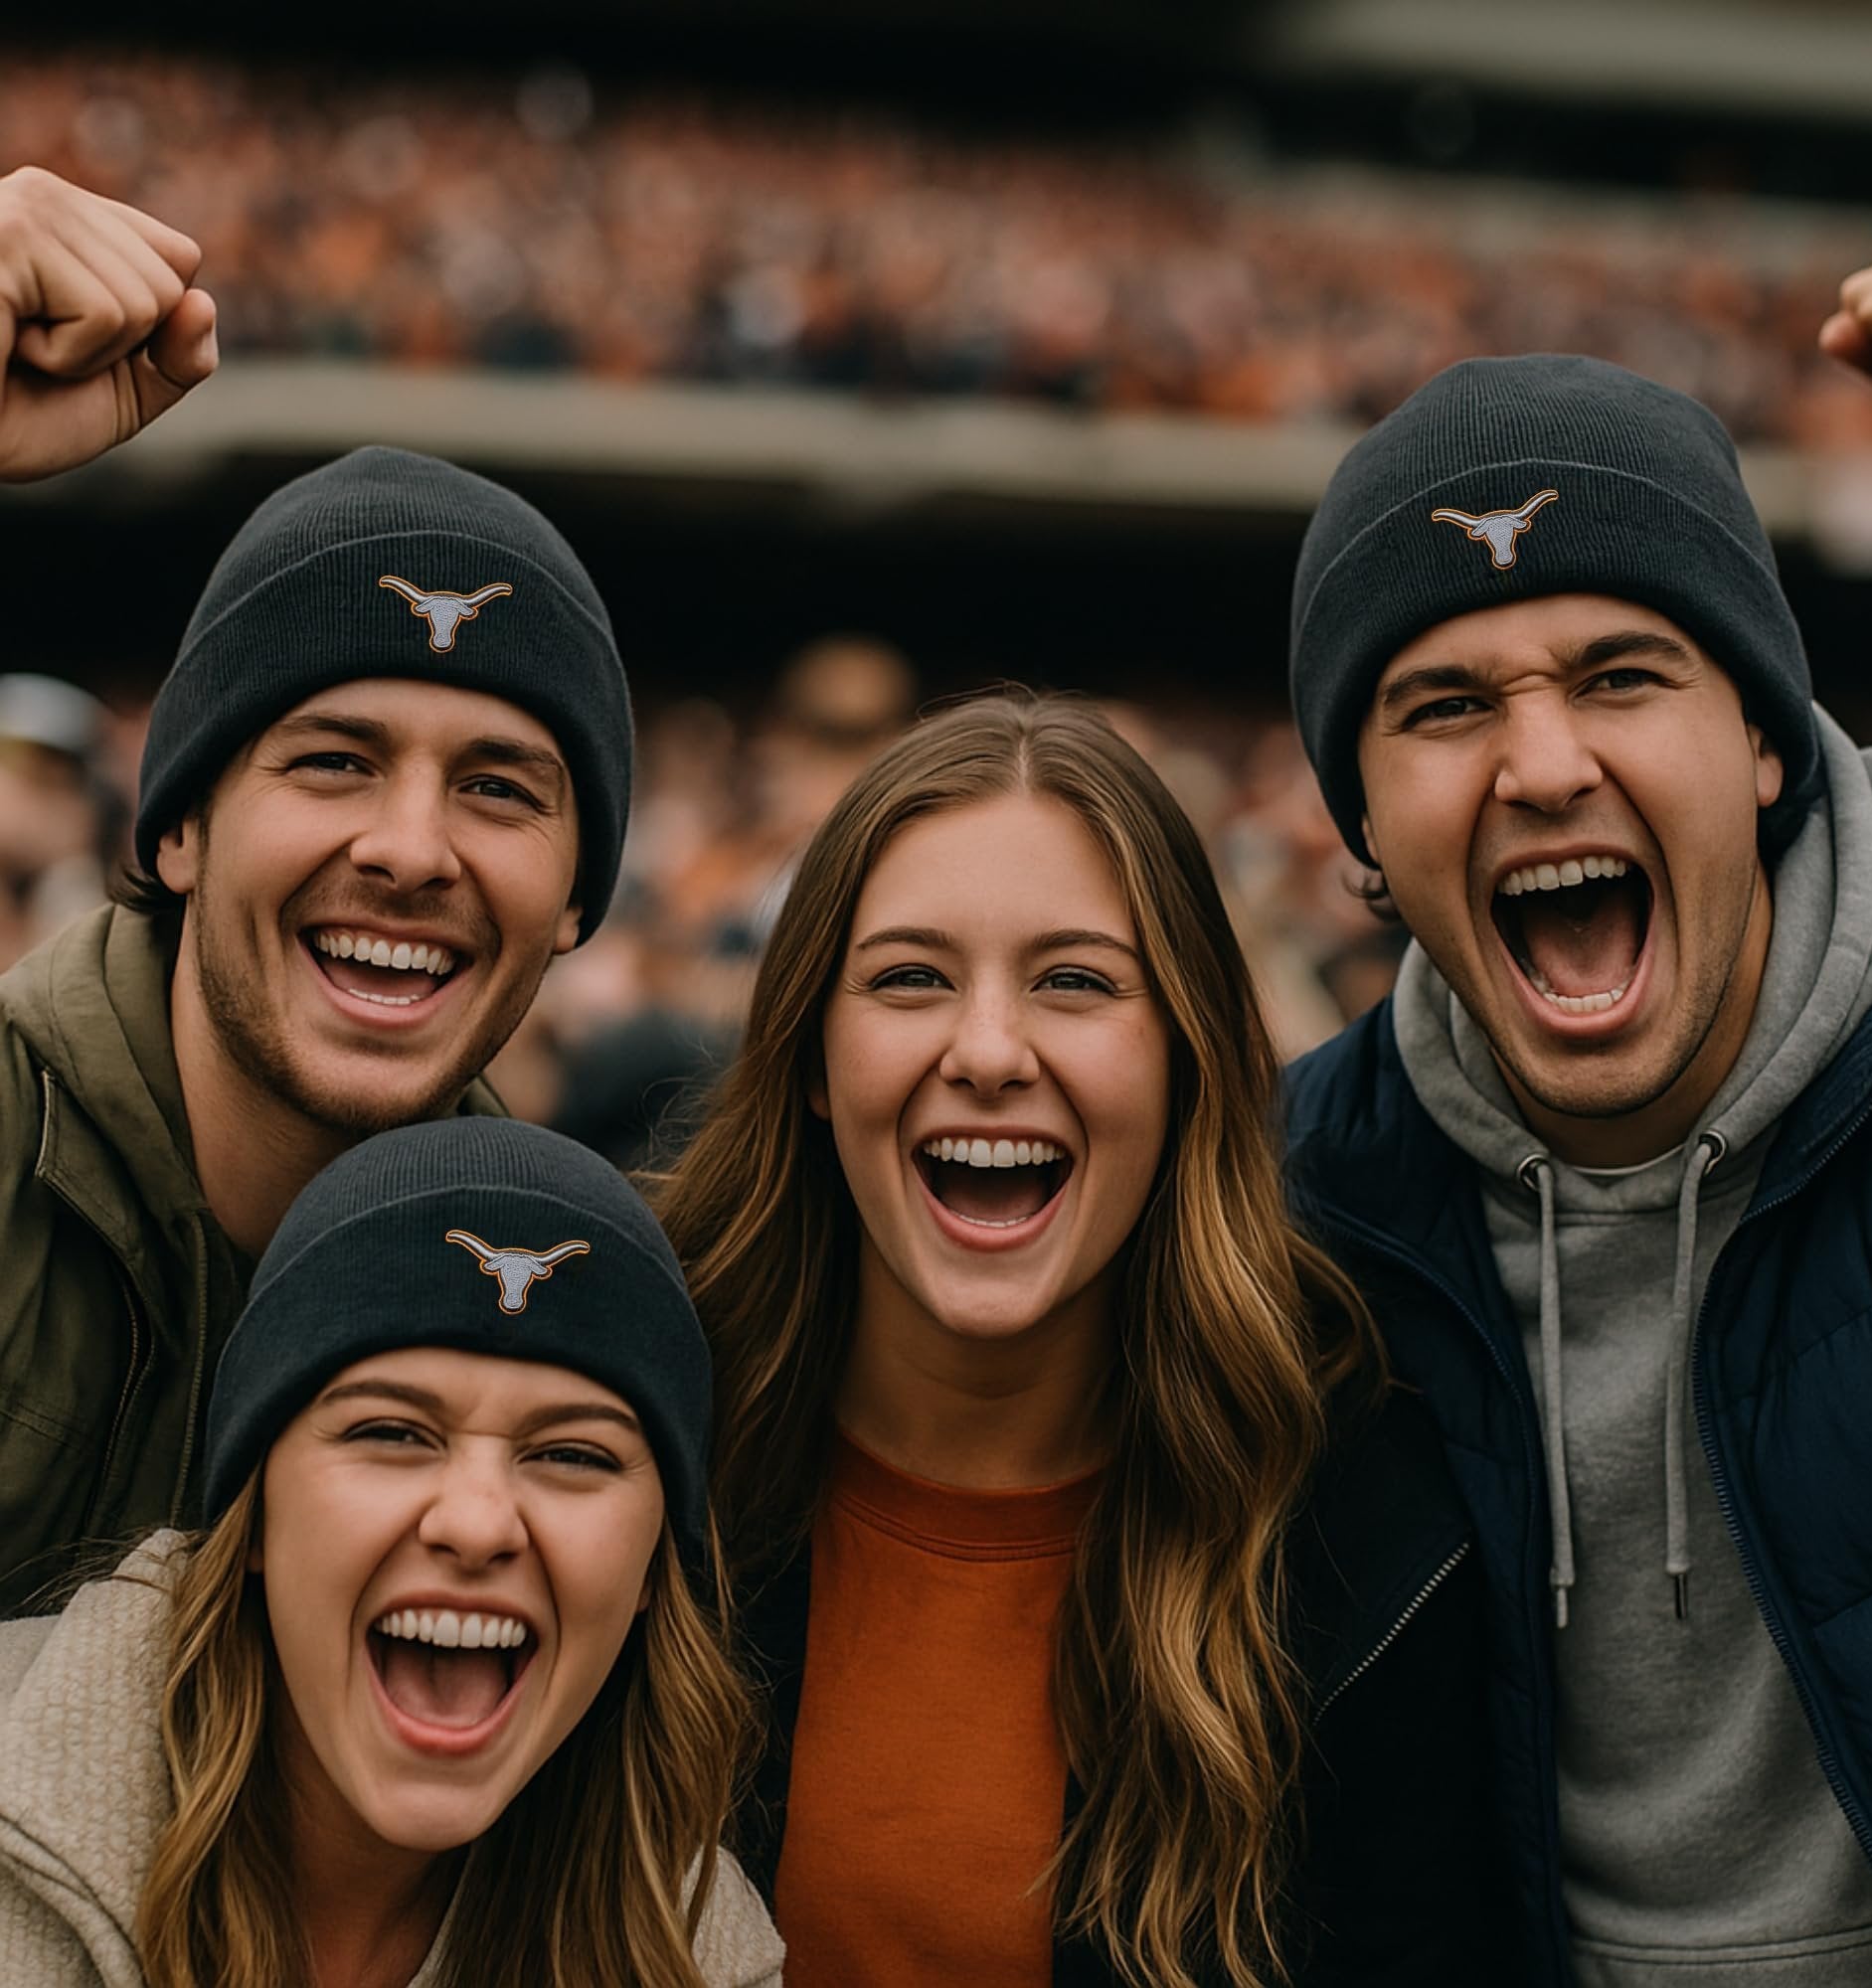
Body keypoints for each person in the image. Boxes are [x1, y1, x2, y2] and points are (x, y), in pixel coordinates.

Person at [1280, 221, 1872, 1986]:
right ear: (1361, 826)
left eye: (1620, 675)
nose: (1542, 766)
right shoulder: (1291, 1207)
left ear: (1762, 741)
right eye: (1444, 705)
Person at [654, 692, 1507, 1987]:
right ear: (814, 1058)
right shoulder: (627, 1435)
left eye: (1074, 980)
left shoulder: (1361, 1532)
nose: (989, 1050)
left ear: (1184, 1056)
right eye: (910, 977)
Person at [0, 168, 637, 1610]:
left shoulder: (573, 1303)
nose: (411, 849)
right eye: (335, 761)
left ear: (576, 902)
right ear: (179, 831)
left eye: (498, 786)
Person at [0, 1115, 783, 1988]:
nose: (478, 1525)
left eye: (572, 1454)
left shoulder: (704, 1957)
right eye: (392, 1433)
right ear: (253, 1517)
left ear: (650, 1569)